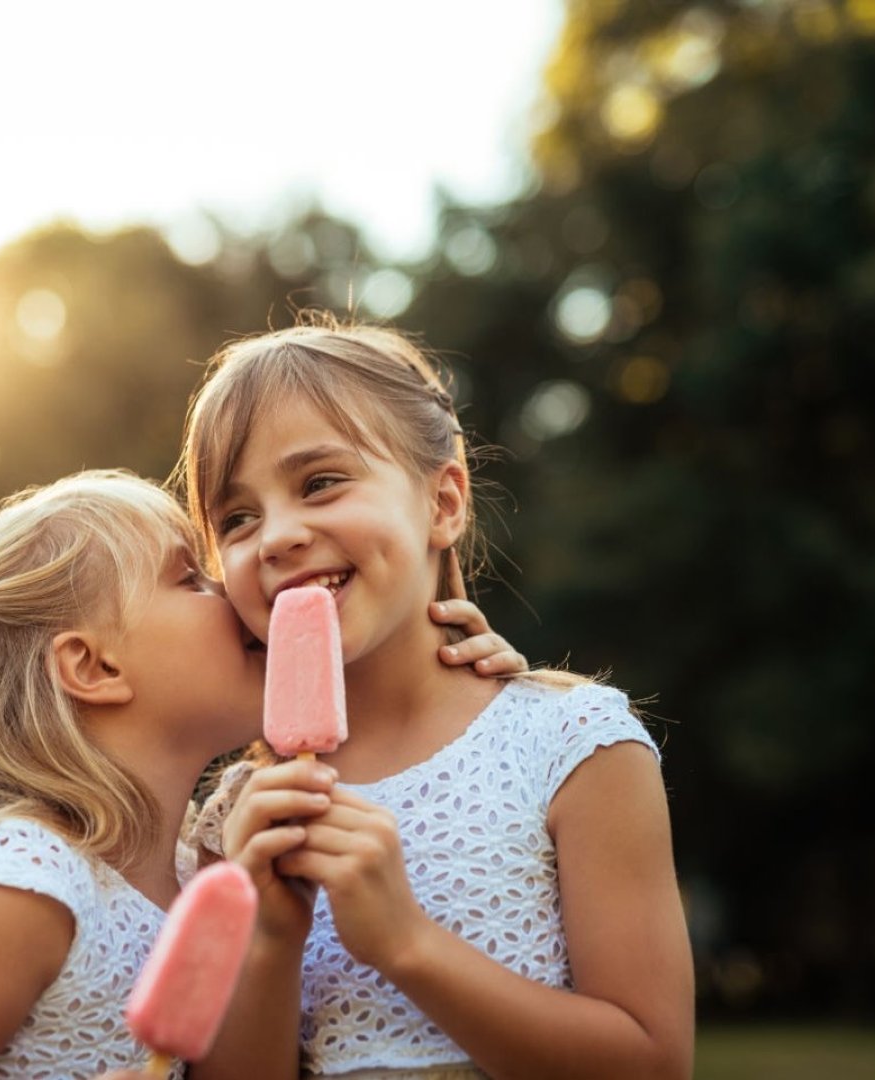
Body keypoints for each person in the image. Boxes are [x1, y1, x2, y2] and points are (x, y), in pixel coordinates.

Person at [0, 469, 525, 1080]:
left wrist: (450, 683)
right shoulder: (25, 882)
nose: (230, 589)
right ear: (95, 668)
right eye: (189, 578)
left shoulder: (199, 869)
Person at [177, 317, 695, 1079]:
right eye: (237, 519)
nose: (278, 535)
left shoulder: (573, 744)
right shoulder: (241, 811)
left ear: (444, 502)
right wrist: (271, 938)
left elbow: (654, 1063)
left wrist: (405, 943)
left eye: (320, 482)